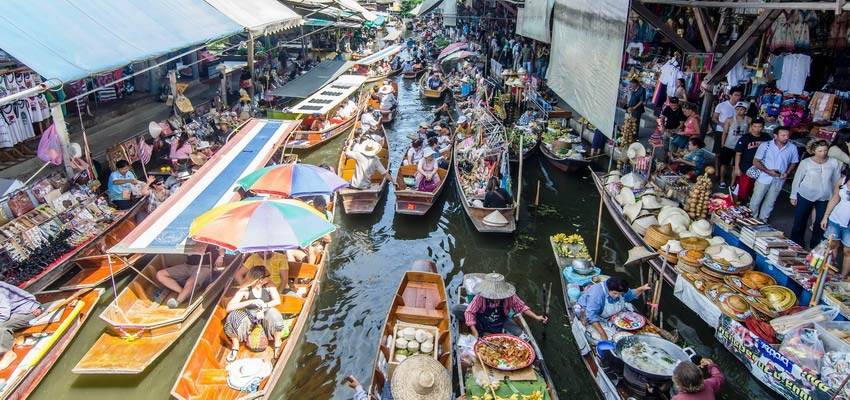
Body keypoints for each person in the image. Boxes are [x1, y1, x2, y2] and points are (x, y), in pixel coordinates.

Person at [223, 266, 286, 361]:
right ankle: (235, 346)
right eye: (268, 276)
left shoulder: (269, 285)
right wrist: (250, 302)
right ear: (260, 279)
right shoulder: (245, 290)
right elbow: (229, 308)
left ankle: (277, 343)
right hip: (249, 315)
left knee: (275, 314)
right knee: (233, 317)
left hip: (265, 314)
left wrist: (264, 306)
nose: (270, 277)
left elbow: (277, 301)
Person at [790, 139, 841, 248]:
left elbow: (836, 181)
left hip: (825, 197)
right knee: (800, 221)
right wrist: (793, 195)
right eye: (820, 151)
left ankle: (816, 248)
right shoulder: (806, 162)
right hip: (805, 195)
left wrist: (835, 197)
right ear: (813, 151)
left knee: (820, 223)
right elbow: (797, 179)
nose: (823, 153)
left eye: (825, 150)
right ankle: (795, 245)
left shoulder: (833, 162)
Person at [463, 273, 547, 337]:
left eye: (498, 296)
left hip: (501, 321)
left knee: (519, 334)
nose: (496, 299)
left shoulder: (510, 296)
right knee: (458, 310)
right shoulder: (480, 297)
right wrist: (474, 331)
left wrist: (536, 317)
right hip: (482, 319)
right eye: (493, 296)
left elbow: (522, 307)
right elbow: (469, 312)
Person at [575, 276, 650, 341]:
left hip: (607, 315)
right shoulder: (597, 294)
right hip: (587, 312)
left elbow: (629, 294)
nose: (618, 296)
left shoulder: (619, 288)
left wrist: (642, 288)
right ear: (608, 289)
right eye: (615, 293)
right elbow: (591, 315)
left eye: (620, 294)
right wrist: (603, 334)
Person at [750, 127, 799, 221]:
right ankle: (751, 218)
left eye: (787, 135)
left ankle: (763, 220)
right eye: (783, 135)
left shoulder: (792, 148)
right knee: (756, 200)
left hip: (779, 179)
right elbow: (756, 161)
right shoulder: (765, 145)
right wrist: (768, 171)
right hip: (763, 177)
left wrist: (787, 172)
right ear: (775, 136)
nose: (786, 137)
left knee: (770, 201)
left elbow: (794, 162)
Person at [155, 245, 226, 308]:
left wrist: (221, 256)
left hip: (204, 267)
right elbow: (188, 252)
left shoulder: (209, 236)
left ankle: (177, 301)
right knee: (160, 274)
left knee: (191, 281)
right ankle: (184, 293)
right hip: (188, 265)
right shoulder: (189, 238)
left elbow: (222, 246)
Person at [0, 281, 42, 369]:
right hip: (13, 312)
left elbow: (4, 313)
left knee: (2, 327)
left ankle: (7, 354)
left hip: (27, 310)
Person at [733, 117, 770, 201]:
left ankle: (748, 205)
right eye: (755, 126)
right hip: (746, 167)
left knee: (754, 189)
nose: (757, 129)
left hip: (760, 167)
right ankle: (737, 205)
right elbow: (738, 154)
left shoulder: (766, 137)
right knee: (742, 189)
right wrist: (737, 168)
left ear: (763, 127)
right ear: (751, 126)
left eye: (759, 126)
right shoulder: (745, 137)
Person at [823, 169, 850, 277]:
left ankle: (842, 277)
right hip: (835, 219)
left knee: (847, 251)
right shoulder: (843, 181)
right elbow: (835, 198)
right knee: (832, 245)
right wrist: (826, 216)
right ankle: (828, 272)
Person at [718, 102, 751, 189]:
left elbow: (750, 133)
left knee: (735, 166)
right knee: (724, 164)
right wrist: (722, 144)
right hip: (728, 145)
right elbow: (724, 133)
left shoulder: (748, 120)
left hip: (740, 148)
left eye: (742, 109)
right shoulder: (730, 119)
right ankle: (721, 181)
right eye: (737, 109)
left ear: (745, 111)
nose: (739, 111)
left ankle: (732, 184)